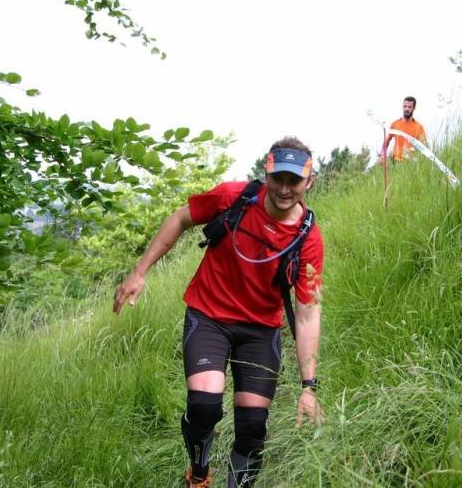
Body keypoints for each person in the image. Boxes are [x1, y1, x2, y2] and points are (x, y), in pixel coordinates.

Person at [113, 137, 324, 487]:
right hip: (209, 315)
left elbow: (307, 314)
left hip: (260, 331)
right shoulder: (235, 198)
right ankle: (199, 473)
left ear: (309, 181)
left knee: (253, 427)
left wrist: (309, 386)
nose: (285, 189)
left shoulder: (308, 239)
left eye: (295, 181)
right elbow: (181, 218)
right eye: (278, 178)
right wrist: (139, 271)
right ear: (266, 173)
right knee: (204, 406)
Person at [381, 96, 428, 162]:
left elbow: (424, 146)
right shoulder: (395, 124)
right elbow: (387, 140)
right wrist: (383, 153)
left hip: (411, 162)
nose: (406, 109)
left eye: (409, 107)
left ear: (414, 108)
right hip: (395, 161)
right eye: (405, 106)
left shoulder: (419, 127)